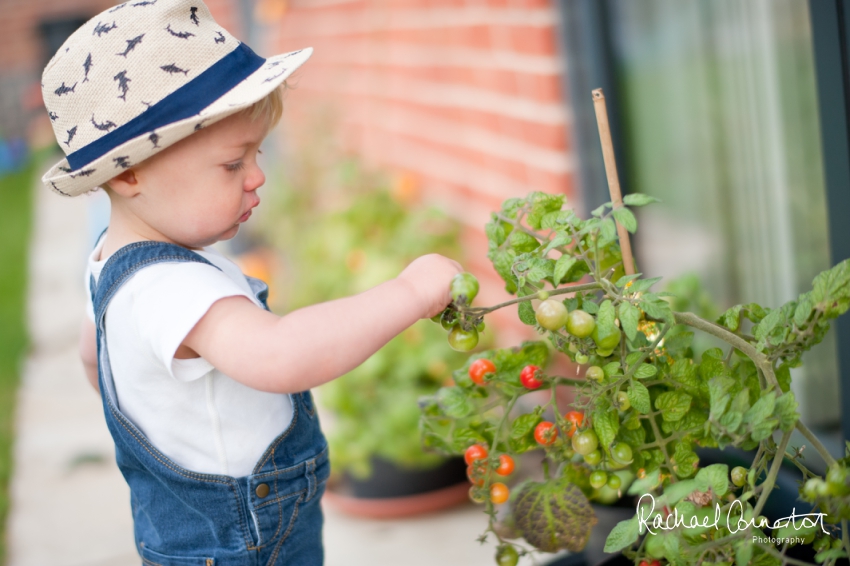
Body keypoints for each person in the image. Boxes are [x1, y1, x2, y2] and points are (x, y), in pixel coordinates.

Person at [40, 1, 462, 564]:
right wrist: (411, 293)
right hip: (245, 542)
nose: (258, 176)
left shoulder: (111, 263)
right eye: (232, 164)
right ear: (129, 173)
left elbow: (94, 355)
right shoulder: (171, 287)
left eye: (256, 154)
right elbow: (282, 354)